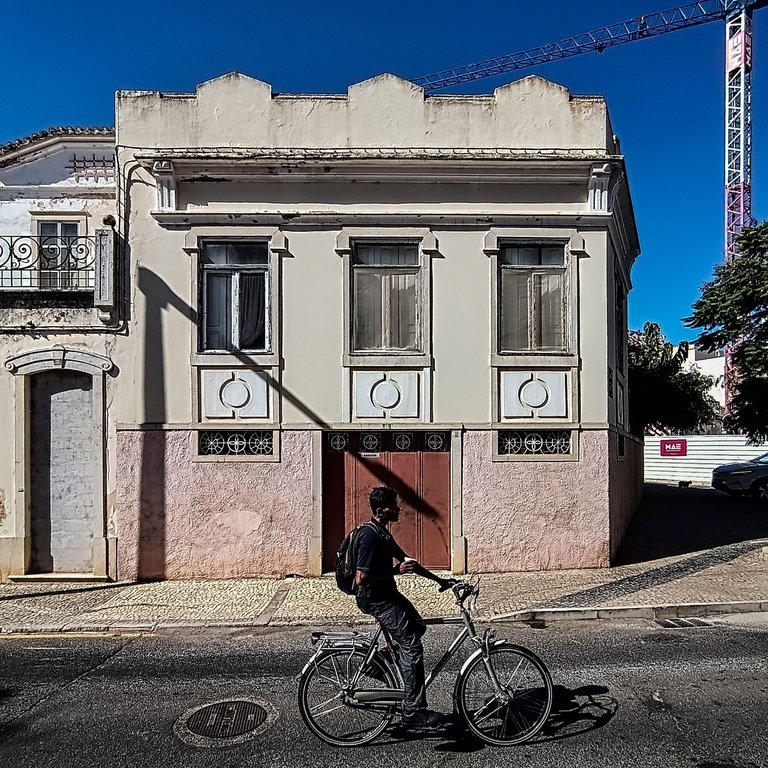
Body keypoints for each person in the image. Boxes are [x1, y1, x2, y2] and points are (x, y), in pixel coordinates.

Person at [353, 486, 454, 730]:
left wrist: (441, 582)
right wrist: (393, 572)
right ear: (381, 511)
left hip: (388, 594)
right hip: (376, 599)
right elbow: (360, 578)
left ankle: (380, 661)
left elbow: (409, 563)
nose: (398, 509)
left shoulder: (383, 534)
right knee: (412, 647)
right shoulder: (370, 536)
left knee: (417, 626)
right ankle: (414, 712)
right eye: (393, 506)